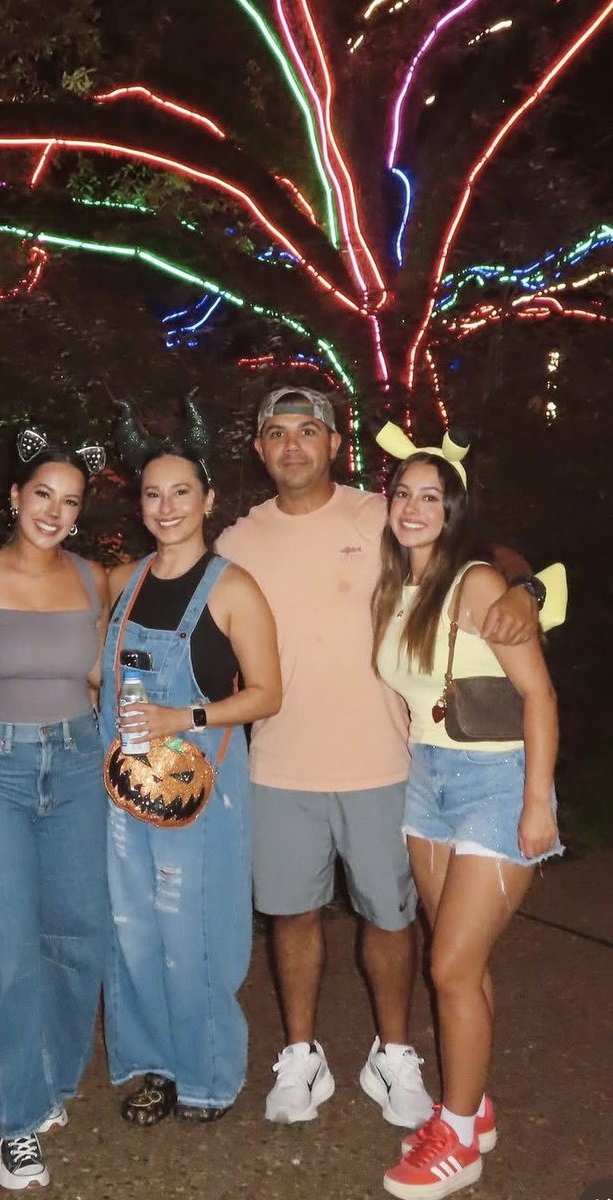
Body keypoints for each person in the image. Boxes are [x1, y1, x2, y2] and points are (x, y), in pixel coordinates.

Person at [215, 386, 542, 1132]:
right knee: (291, 915)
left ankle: (393, 1052)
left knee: (389, 918)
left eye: (308, 431)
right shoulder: (235, 542)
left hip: (387, 763)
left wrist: (520, 591)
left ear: (334, 444)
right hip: (279, 767)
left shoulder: (382, 512)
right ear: (259, 449)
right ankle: (301, 1054)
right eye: (275, 432)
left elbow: (482, 551)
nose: (292, 445)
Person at [373, 444, 561, 1198]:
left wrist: (538, 801)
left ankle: (457, 1139)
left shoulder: (477, 582)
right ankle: (472, 1109)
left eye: (431, 496)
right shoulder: (395, 587)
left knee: (447, 966)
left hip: (497, 780)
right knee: (462, 964)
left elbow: (540, 696)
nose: (414, 507)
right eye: (403, 494)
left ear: (451, 512)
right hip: (426, 782)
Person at [101, 405, 281, 1125]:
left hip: (202, 795)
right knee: (134, 928)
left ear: (209, 500)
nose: (166, 507)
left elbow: (268, 694)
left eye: (181, 492)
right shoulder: (125, 580)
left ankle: (207, 1074)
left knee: (195, 931)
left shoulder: (234, 588)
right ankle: (152, 1065)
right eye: (152, 494)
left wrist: (187, 717)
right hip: (125, 791)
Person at [0, 429, 109, 1191]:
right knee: (2, 945)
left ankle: (52, 1075)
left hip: (77, 761)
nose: (54, 510)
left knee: (79, 933)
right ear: (14, 497)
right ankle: (16, 1120)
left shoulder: (93, 577)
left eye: (70, 501)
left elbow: (110, 676)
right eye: (42, 493)